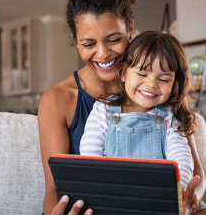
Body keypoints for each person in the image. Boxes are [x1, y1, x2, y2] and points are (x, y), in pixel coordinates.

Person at [38, 0, 206, 214]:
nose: (103, 53)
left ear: (130, 29)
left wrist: (188, 199)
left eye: (114, 39)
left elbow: (195, 172)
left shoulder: (158, 90)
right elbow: (53, 189)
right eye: (88, 44)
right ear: (76, 42)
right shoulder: (57, 100)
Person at [80, 30, 200, 212]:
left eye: (163, 79)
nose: (152, 84)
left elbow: (181, 156)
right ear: (123, 73)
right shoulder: (103, 109)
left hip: (162, 196)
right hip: (115, 195)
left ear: (174, 84)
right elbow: (90, 154)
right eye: (142, 74)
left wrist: (179, 191)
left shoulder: (170, 114)